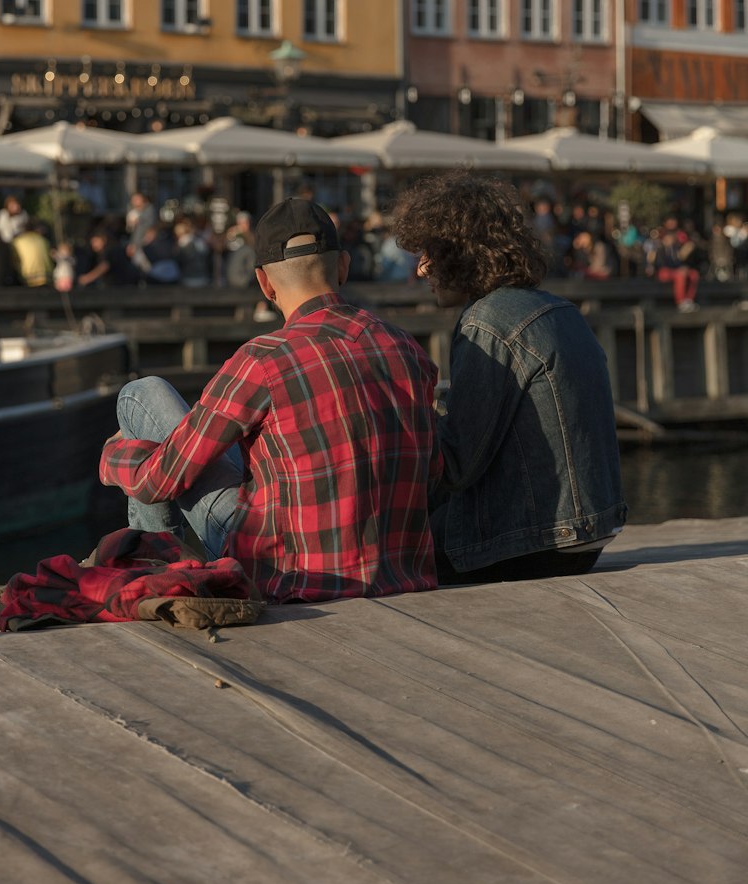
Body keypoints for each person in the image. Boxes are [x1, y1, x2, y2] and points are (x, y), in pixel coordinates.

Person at [100, 197, 441, 602]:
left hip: (289, 577)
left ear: (264, 283)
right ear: (344, 266)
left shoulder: (262, 360)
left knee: (141, 395)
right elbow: (432, 471)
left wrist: (114, 456)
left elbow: (158, 480)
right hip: (403, 577)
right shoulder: (407, 350)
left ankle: (152, 577)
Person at [392, 170, 626, 585]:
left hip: (534, 544)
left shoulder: (487, 321)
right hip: (589, 534)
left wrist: (407, 418)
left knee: (376, 538)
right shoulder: (559, 309)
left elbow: (457, 464)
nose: (422, 269)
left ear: (460, 252)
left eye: (429, 252)